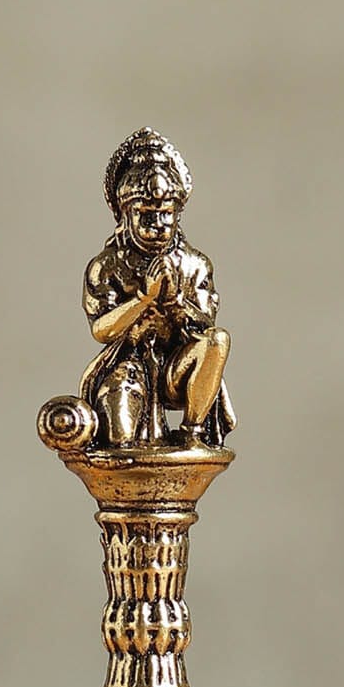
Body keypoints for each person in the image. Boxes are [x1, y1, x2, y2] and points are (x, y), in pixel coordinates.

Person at [78, 128, 236, 449]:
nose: (158, 225)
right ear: (125, 214)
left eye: (166, 215)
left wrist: (177, 302)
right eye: (146, 216)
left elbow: (206, 324)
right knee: (120, 444)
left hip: (177, 371)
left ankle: (192, 431)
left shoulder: (193, 265)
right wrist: (143, 299)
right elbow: (102, 330)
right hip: (127, 365)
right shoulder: (107, 266)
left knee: (218, 340)